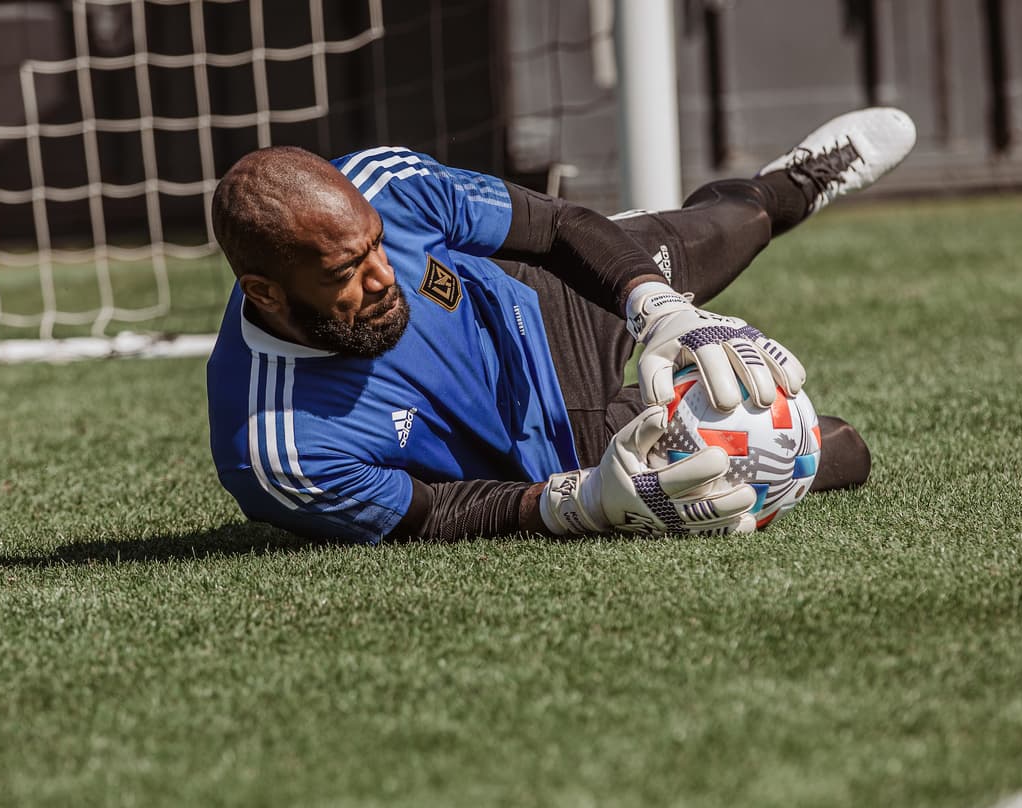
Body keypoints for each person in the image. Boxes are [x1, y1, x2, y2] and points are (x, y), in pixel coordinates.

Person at [206, 108, 917, 544]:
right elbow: (429, 515)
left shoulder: (386, 185)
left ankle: (792, 184)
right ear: (265, 292)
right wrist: (575, 502)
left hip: (544, 299)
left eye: (377, 246)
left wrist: (656, 308)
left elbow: (557, 226)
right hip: (563, 447)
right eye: (344, 272)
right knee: (840, 450)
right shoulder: (277, 446)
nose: (383, 275)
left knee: (732, 225)